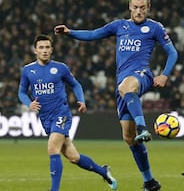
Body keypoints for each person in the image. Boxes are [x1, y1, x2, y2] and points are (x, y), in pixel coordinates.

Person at [54, 0, 178, 190]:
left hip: (141, 75)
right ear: (130, 7)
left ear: (149, 8)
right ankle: (150, 181)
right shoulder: (119, 26)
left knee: (128, 87)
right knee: (129, 138)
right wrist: (70, 32)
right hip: (122, 86)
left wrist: (164, 74)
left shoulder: (155, 28)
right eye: (135, 7)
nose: (139, 11)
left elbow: (172, 53)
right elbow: (93, 34)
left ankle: (143, 127)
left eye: (143, 8)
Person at [18, 35, 117, 191]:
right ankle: (102, 171)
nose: (44, 50)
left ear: (52, 49)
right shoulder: (28, 70)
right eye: (41, 48)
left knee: (52, 148)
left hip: (61, 114)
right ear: (35, 50)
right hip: (45, 118)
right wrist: (29, 103)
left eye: (47, 47)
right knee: (73, 157)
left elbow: (76, 85)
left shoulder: (60, 68)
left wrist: (81, 100)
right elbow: (22, 92)